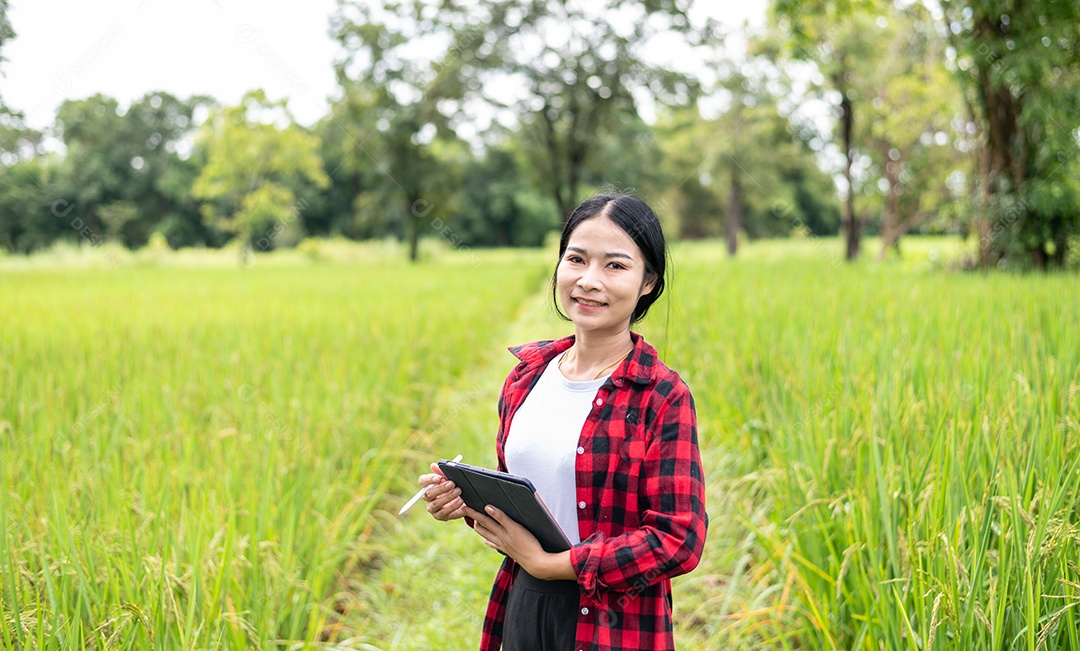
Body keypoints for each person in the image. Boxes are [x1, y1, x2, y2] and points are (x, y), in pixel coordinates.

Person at [418, 193, 708, 651]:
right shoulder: (526, 377)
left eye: (615, 266)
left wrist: (553, 564)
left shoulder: (661, 396)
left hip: (616, 621)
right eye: (576, 259)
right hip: (522, 603)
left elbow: (679, 538)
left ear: (648, 281)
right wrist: (465, 503)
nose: (588, 281)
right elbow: (531, 504)